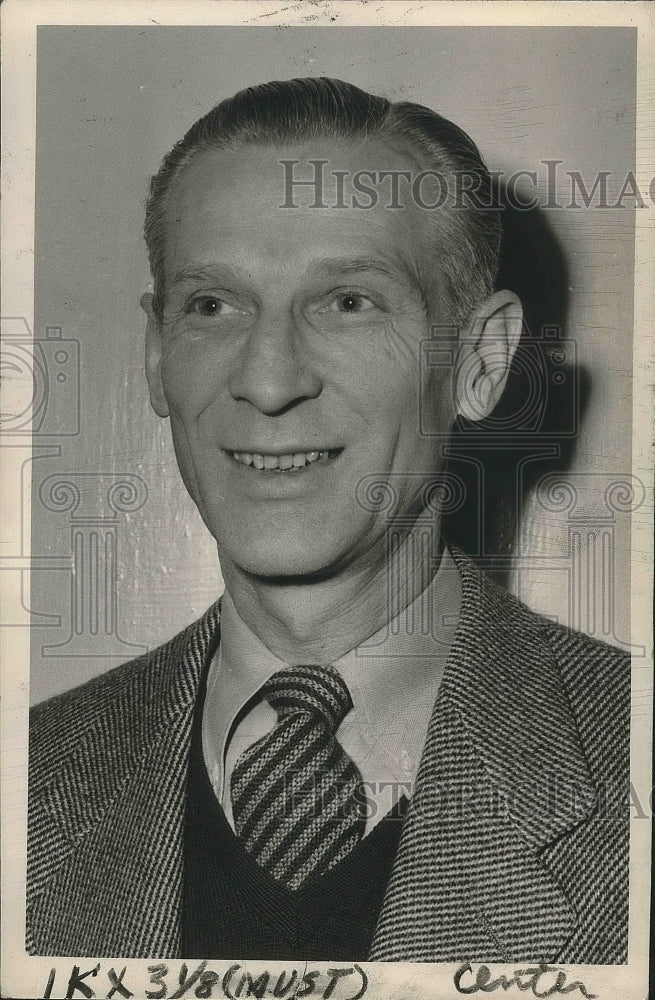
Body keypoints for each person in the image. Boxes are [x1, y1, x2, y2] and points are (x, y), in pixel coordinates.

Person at [27, 77, 629, 963]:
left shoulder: (628, 756)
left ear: (479, 361)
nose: (268, 382)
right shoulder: (32, 773)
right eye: (212, 305)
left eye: (347, 302)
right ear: (158, 356)